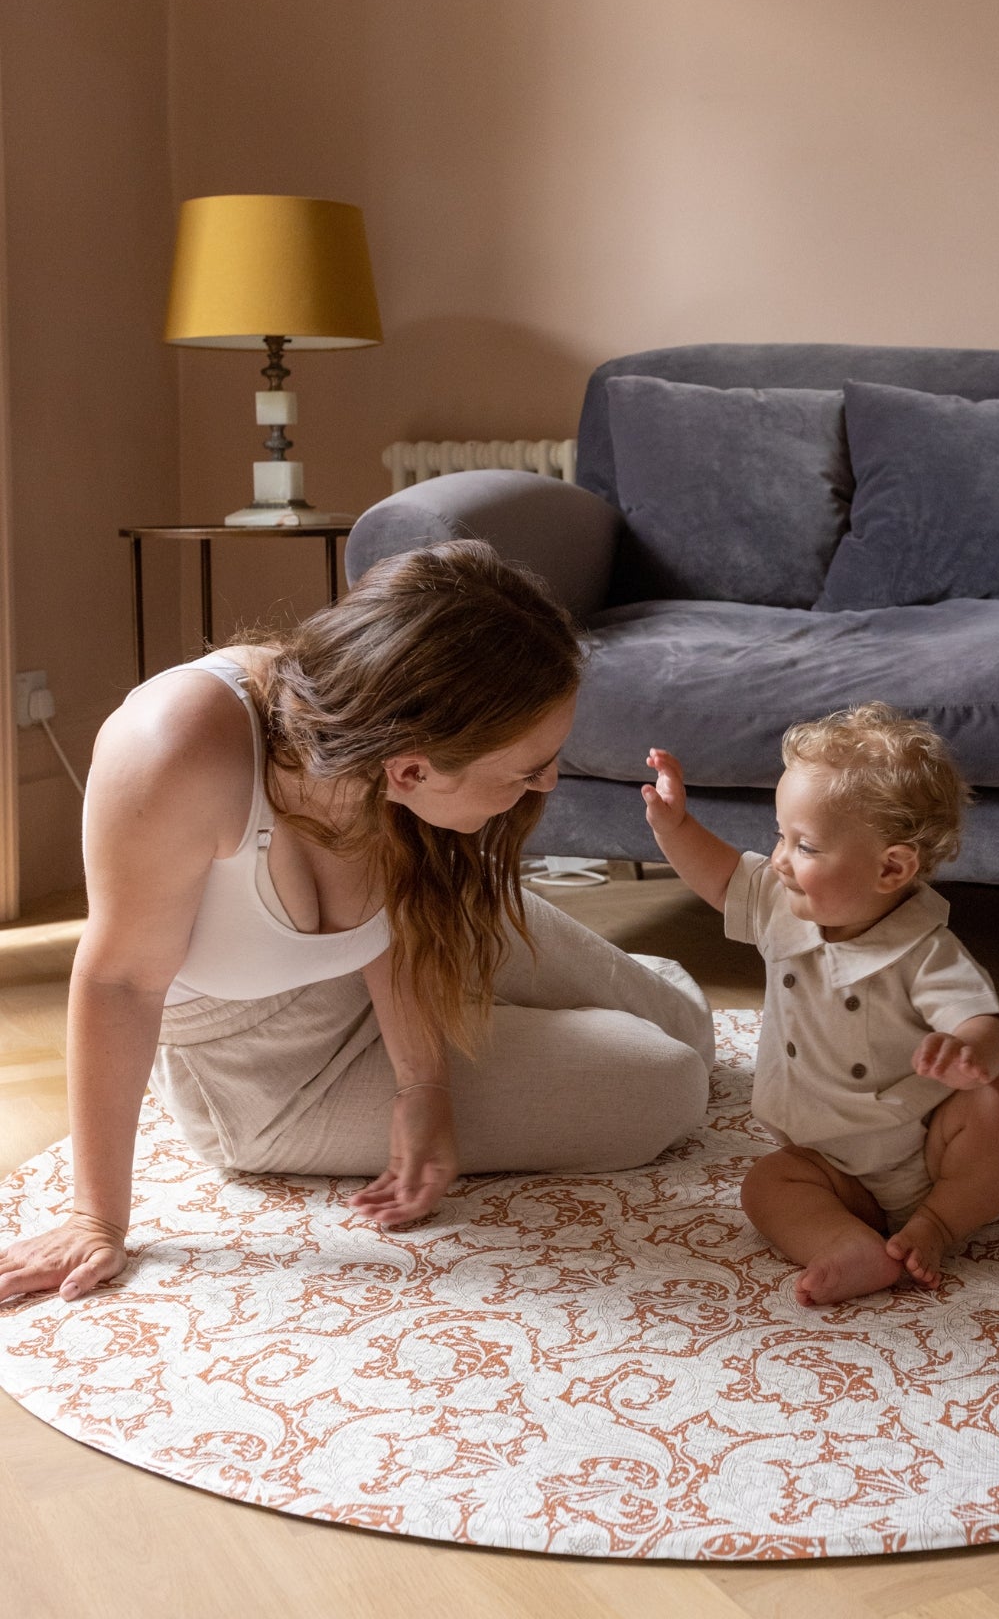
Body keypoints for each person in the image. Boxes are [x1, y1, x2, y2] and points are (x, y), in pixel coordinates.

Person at [0, 540, 714, 1308]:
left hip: (394, 960)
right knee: (667, 1080)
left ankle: (532, 1024)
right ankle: (531, 1028)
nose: (549, 781)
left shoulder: (379, 726)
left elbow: (400, 914)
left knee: (692, 1030)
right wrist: (94, 1216)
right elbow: (120, 981)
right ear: (409, 771)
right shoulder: (174, 749)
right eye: (527, 769)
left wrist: (425, 1084)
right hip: (276, 1071)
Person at [641, 703, 999, 1307]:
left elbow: (980, 1018)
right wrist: (674, 826)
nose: (779, 859)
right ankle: (844, 1242)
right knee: (767, 1185)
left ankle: (937, 1224)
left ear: (891, 867)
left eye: (803, 845)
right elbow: (722, 876)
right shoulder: (782, 904)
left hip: (931, 1149)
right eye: (780, 836)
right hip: (830, 1162)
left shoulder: (923, 949)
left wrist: (970, 1054)